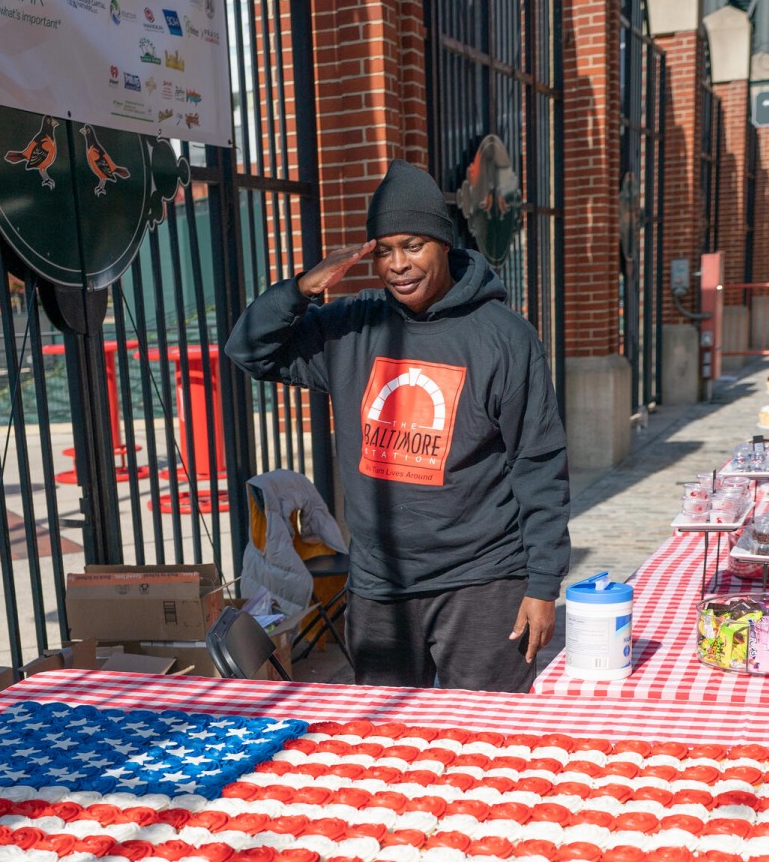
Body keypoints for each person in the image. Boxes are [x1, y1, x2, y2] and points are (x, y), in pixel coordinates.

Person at [225, 159, 570, 691]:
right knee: (384, 733)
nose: (398, 265)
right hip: (380, 586)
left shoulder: (504, 337)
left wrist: (543, 584)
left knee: (487, 732)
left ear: (444, 243)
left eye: (413, 245)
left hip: (482, 581)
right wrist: (302, 288)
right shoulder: (352, 327)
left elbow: (539, 463)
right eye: (384, 251)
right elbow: (249, 350)